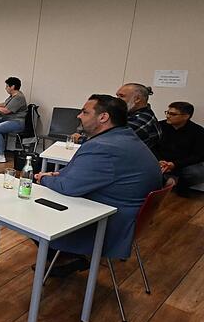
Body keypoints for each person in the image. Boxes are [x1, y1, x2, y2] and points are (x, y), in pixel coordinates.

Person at [35, 95, 162, 275]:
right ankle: (66, 256)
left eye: (85, 112)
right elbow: (87, 175)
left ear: (103, 117)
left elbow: (68, 187)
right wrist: (58, 175)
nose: (79, 116)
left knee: (30, 210)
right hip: (128, 216)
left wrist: (43, 178)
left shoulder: (103, 147)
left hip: (109, 225)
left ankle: (69, 256)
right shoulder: (125, 137)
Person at [155, 102, 204, 193]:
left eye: (173, 114)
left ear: (186, 116)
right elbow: (152, 146)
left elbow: (198, 155)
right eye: (167, 112)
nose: (168, 116)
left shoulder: (198, 131)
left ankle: (175, 183)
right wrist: (160, 160)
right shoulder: (160, 126)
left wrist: (174, 164)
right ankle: (169, 181)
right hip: (161, 161)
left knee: (198, 173)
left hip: (183, 164)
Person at [116, 83, 162, 151]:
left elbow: (111, 139)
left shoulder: (141, 120)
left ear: (137, 99)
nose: (117, 100)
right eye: (117, 96)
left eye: (121, 96)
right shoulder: (131, 113)